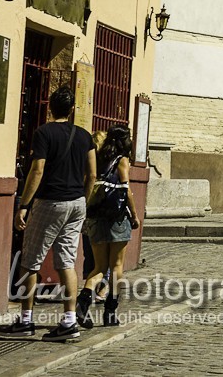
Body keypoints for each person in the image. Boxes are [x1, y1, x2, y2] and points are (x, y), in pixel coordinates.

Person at [4, 88, 96, 340]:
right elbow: (93, 174)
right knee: (67, 261)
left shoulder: (43, 133)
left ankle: (25, 320)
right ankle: (68, 321)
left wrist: (24, 203)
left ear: (49, 108)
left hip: (50, 202)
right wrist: (83, 200)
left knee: (30, 260)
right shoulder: (85, 136)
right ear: (72, 110)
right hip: (77, 202)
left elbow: (37, 170)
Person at [78, 125, 139, 328]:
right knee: (116, 266)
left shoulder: (99, 157)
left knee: (99, 267)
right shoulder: (122, 160)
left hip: (95, 216)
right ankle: (110, 312)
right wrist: (135, 216)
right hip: (116, 219)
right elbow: (126, 190)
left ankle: (83, 302)